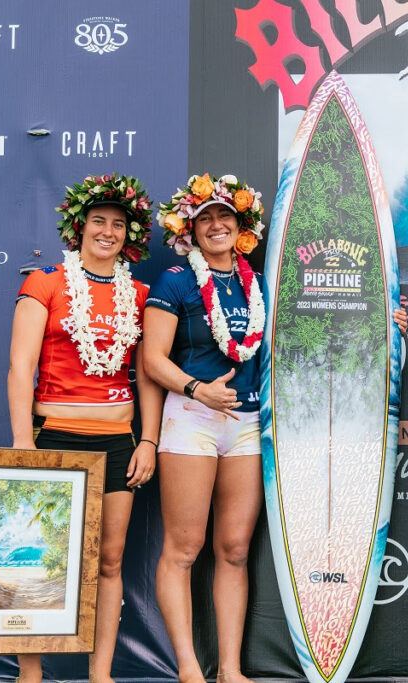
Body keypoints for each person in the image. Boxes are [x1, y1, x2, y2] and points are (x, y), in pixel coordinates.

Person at [8, 173, 161, 683]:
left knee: (110, 560)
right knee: (42, 560)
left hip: (118, 441)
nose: (108, 232)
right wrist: (23, 443)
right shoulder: (44, 282)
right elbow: (19, 367)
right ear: (80, 227)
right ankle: (30, 673)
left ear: (129, 236)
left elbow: (147, 378)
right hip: (54, 436)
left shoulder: (139, 293)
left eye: (118, 224)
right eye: (99, 221)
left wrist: (149, 441)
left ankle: (101, 674)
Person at [143, 173, 266, 683]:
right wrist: (198, 389)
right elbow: (152, 359)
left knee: (235, 549)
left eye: (225, 217)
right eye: (205, 218)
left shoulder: (256, 281)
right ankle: (191, 669)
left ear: (241, 227)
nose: (215, 225)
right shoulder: (176, 279)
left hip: (248, 422)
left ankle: (230, 671)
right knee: (184, 548)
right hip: (192, 419)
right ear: (190, 229)